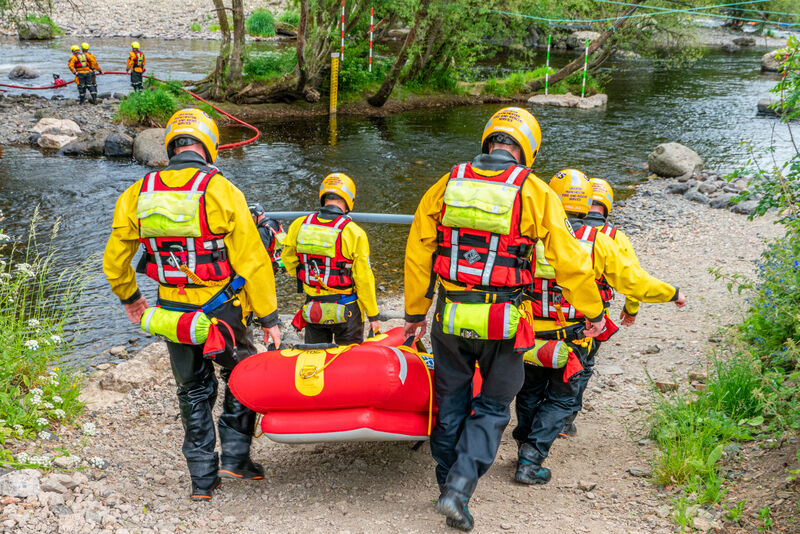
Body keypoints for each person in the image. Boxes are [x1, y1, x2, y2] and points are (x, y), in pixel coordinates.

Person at [403, 107, 606, 532]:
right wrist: (593, 312)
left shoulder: (446, 182)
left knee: (451, 400)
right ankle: (457, 490)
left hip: (451, 315)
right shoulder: (534, 191)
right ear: (527, 149)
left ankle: (446, 481)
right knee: (493, 406)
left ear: (488, 140)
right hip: (504, 320)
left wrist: (414, 313)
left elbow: (419, 250)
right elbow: (569, 261)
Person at [103, 108, 282, 502]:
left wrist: (131, 298)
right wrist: (269, 317)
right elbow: (253, 260)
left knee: (192, 390)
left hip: (171, 314)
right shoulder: (221, 191)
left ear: (171, 145)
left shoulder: (137, 194)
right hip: (222, 312)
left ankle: (203, 480)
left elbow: (115, 260)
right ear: (209, 145)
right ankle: (235, 458)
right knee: (243, 374)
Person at [513, 169, 686, 484]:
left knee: (529, 389)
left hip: (530, 336)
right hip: (575, 339)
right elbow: (635, 281)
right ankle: (529, 458)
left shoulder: (530, 235)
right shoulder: (600, 242)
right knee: (563, 398)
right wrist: (671, 292)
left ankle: (524, 438)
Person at [281, 173, 380, 345]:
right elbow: (364, 278)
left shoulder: (299, 224)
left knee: (316, 357)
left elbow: (288, 259)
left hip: (313, 307)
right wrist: (373, 315)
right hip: (346, 309)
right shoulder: (354, 232)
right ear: (349, 200)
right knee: (348, 360)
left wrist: (307, 278)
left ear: (323, 197)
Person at [249, 203, 286, 272]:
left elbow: (260, 253)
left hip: (270, 264)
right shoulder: (274, 222)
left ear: (255, 216)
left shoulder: (262, 230)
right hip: (280, 259)